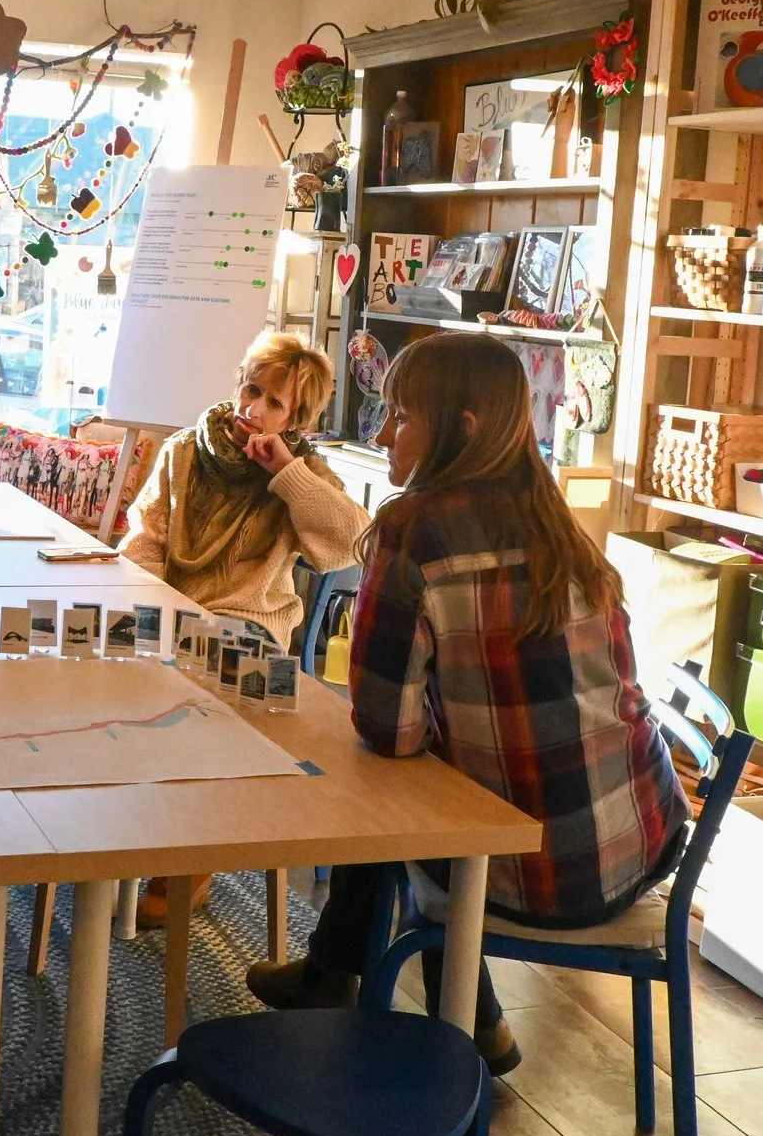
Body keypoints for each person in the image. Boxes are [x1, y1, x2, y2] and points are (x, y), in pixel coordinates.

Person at [245, 332, 690, 1076]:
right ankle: (434, 1008)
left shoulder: (413, 530)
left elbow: (387, 729)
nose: (381, 435)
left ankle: (359, 983)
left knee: (387, 795)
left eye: (400, 417)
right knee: (422, 790)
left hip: (526, 870)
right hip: (637, 840)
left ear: (463, 428)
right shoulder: (558, 523)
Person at [118, 330, 367, 925]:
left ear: (295, 420)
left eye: (273, 403)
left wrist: (287, 473)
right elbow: (144, 541)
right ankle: (114, 834)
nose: (253, 408)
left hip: (250, 628)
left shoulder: (304, 473)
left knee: (202, 694)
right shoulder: (185, 450)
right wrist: (151, 609)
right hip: (170, 611)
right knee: (84, 666)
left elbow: (352, 543)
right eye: (251, 390)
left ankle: (189, 859)